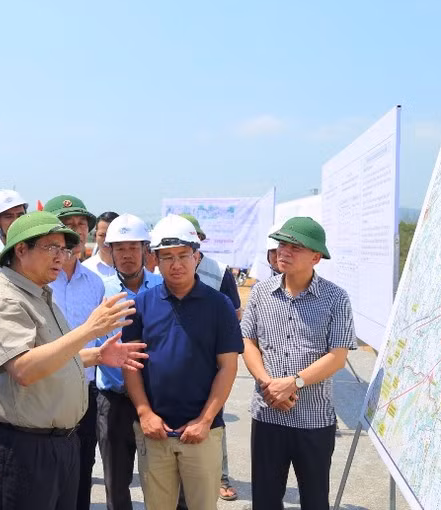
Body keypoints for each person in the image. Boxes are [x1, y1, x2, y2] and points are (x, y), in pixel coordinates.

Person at [0, 211, 147, 510]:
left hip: (58, 444)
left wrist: (96, 356)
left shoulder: (38, 295)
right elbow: (24, 368)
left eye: (64, 249)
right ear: (21, 250)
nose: (61, 256)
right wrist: (89, 330)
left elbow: (52, 358)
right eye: (50, 247)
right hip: (23, 449)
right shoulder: (3, 301)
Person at [123, 214, 243, 510]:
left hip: (202, 432)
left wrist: (204, 421)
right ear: (155, 260)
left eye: (183, 255)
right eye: (167, 257)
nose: (176, 264)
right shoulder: (141, 305)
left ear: (197, 256)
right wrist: (145, 413)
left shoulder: (220, 306)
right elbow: (130, 364)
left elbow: (228, 367)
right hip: (155, 431)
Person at [241, 217, 356, 510]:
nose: (284, 252)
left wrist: (293, 383)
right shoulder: (260, 293)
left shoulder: (336, 299)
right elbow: (248, 343)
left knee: (315, 500)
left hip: (314, 419)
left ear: (316, 257)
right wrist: (270, 385)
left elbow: (337, 357)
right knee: (265, 500)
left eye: (295, 247)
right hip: (268, 415)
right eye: (281, 244)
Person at [94, 214, 162, 510]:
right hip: (114, 400)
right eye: (119, 248)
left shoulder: (163, 286)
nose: (126, 255)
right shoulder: (99, 290)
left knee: (161, 480)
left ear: (145, 249)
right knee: (117, 482)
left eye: (133, 247)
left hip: (157, 399)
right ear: (109, 251)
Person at [44, 194, 106, 510]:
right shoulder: (37, 282)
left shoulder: (95, 283)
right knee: (46, 477)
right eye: (67, 225)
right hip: (45, 391)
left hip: (86, 392)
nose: (77, 231)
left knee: (81, 471)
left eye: (81, 224)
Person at [179, 213, 240, 502]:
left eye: (192, 241)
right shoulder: (160, 267)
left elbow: (234, 314)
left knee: (213, 419)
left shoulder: (220, 270)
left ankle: (221, 476)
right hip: (175, 362)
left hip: (212, 363)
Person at [179, 214, 241, 314]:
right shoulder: (160, 272)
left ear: (198, 238)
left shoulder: (220, 273)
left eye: (188, 237)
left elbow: (235, 314)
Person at [83, 211, 119, 279]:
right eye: (102, 235)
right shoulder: (85, 269)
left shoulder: (135, 268)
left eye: (112, 235)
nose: (107, 240)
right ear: (95, 236)